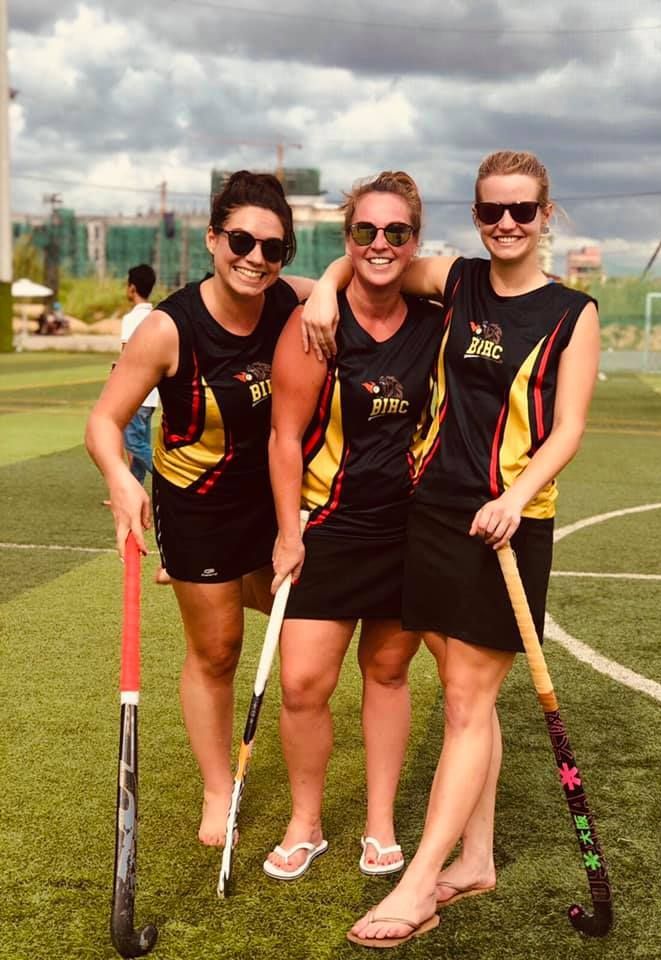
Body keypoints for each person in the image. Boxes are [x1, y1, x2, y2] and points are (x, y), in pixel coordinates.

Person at [303, 150, 600, 946]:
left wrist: (512, 496)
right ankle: (474, 859)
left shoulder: (573, 312)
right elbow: (376, 255)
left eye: (523, 211)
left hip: (505, 526)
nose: (507, 224)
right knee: (473, 700)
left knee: (467, 704)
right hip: (429, 516)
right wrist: (328, 291)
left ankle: (418, 887)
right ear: (476, 217)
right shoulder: (458, 280)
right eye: (492, 211)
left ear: (545, 215)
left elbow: (568, 425)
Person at [85, 171, 318, 846]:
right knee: (217, 650)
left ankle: (202, 584)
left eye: (273, 249)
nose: (255, 258)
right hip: (200, 506)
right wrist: (121, 477)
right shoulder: (168, 328)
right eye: (241, 240)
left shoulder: (287, 300)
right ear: (213, 238)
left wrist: (329, 289)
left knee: (301, 627)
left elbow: (351, 281)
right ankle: (219, 788)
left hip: (275, 501)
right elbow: (105, 420)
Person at [264, 172, 443, 881]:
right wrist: (286, 533)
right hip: (328, 527)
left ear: (414, 241)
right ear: (347, 236)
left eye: (396, 232)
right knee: (304, 683)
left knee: (389, 673)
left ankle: (379, 823)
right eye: (364, 231)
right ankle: (305, 824)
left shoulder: (434, 319)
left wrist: (334, 276)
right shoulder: (316, 324)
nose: (380, 243)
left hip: (409, 531)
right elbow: (284, 437)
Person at [120, 264, 158, 487]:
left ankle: (168, 478)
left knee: (133, 443)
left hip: (135, 392)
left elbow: (126, 357)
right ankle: (133, 489)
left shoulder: (131, 319)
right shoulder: (156, 316)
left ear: (132, 288)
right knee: (141, 440)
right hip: (152, 393)